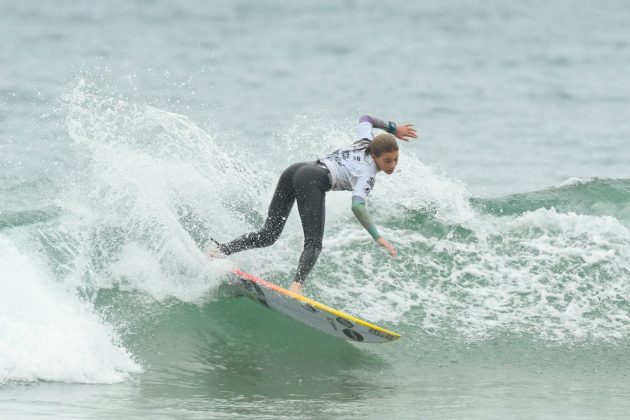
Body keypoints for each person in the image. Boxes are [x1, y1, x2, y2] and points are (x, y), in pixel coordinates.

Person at [212, 115, 417, 295]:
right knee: (314, 243)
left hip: (296, 169)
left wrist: (392, 128)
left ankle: (219, 252)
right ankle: (296, 287)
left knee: (268, 234)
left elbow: (366, 119)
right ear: (374, 156)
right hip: (312, 179)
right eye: (387, 160)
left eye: (396, 160)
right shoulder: (367, 175)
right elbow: (357, 206)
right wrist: (378, 237)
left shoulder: (365, 141)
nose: (392, 165)